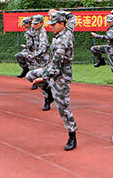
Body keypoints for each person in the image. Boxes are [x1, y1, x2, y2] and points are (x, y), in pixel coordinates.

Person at [27, 10, 78, 151]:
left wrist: (43, 79)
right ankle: (49, 93)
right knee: (30, 75)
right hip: (52, 67)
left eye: (54, 24)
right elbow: (72, 16)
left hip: (61, 74)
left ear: (61, 24)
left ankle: (72, 135)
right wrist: (58, 12)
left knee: (63, 107)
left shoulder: (63, 41)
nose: (51, 27)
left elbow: (55, 68)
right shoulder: (68, 28)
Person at [90, 10, 113, 96]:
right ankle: (101, 61)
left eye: (109, 22)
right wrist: (112, 13)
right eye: (107, 21)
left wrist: (97, 36)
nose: (107, 23)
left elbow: (108, 37)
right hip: (108, 47)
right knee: (94, 49)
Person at [28, 14, 50, 91]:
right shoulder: (37, 31)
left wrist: (33, 55)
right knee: (35, 70)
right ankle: (37, 84)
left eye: (36, 24)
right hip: (37, 56)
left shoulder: (42, 33)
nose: (34, 25)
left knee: (43, 74)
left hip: (43, 57)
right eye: (33, 23)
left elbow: (43, 49)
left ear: (42, 23)